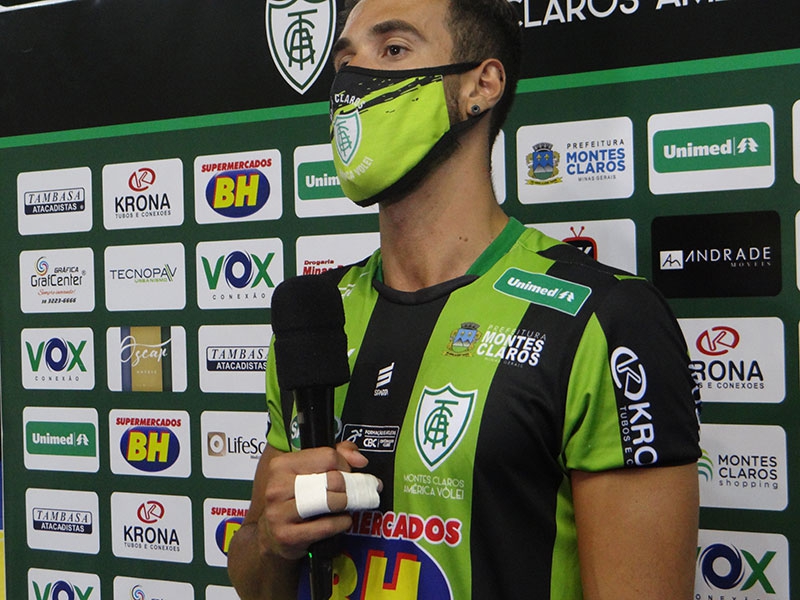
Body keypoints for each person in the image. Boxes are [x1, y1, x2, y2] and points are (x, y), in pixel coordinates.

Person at [228, 0, 702, 598]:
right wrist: (269, 539)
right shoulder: (317, 314)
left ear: (482, 85)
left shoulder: (607, 319)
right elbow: (255, 582)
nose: (353, 83)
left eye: (393, 50)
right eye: (344, 63)